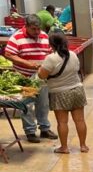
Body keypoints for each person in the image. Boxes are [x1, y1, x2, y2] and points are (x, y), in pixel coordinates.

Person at [4, 14, 56, 144]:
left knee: (43, 103)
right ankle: (30, 131)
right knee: (27, 105)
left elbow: (50, 52)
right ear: (26, 26)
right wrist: (27, 63)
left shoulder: (44, 36)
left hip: (41, 76)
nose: (37, 32)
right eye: (33, 29)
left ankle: (44, 128)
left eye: (38, 29)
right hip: (24, 76)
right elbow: (9, 54)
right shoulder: (16, 37)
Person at [37, 30, 88, 155]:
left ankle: (64, 147)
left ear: (51, 44)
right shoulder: (73, 55)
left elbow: (42, 75)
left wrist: (39, 68)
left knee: (62, 122)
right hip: (77, 90)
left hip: (59, 93)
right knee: (80, 120)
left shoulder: (51, 58)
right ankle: (83, 145)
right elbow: (76, 69)